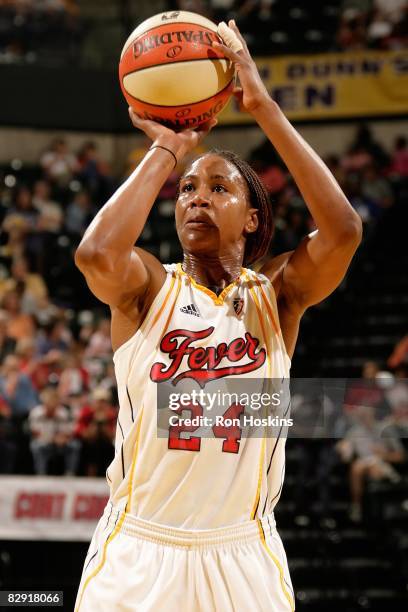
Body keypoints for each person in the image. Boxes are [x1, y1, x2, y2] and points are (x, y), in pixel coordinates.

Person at [73, 21, 362, 612]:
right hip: (140, 548)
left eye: (218, 188)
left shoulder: (277, 295)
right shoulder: (150, 286)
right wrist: (168, 151)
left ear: (254, 218)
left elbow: (343, 231)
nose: (195, 196)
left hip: (242, 555)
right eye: (185, 189)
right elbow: (96, 254)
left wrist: (262, 107)